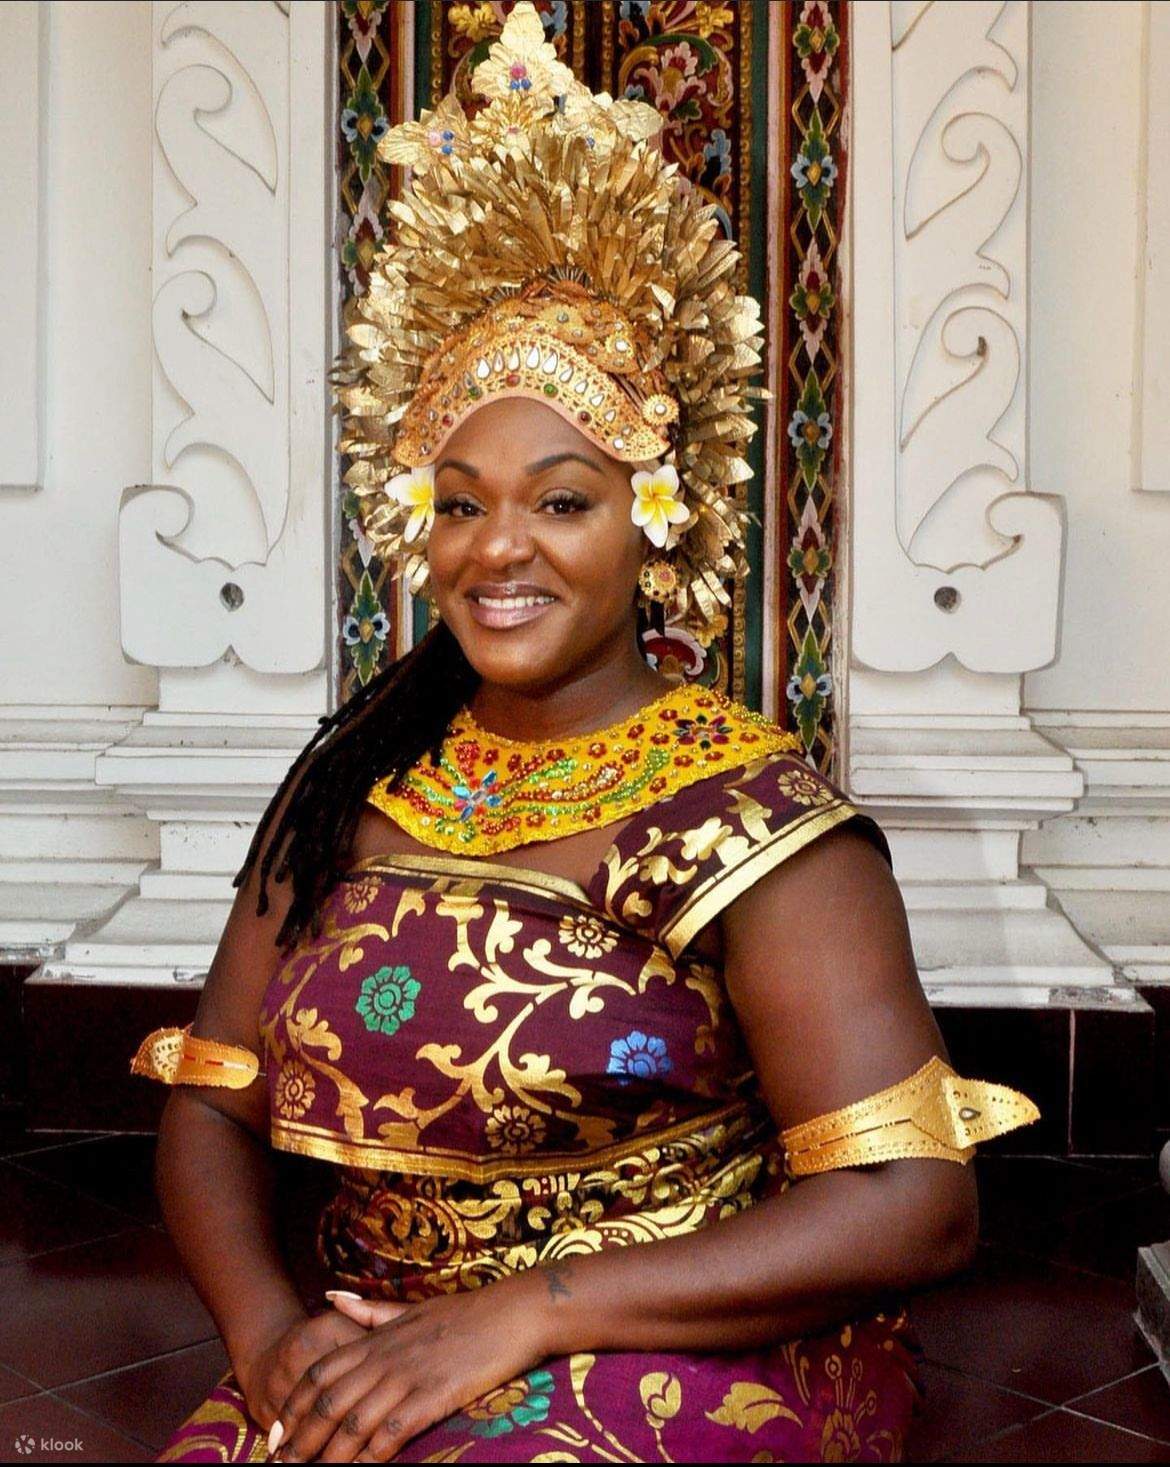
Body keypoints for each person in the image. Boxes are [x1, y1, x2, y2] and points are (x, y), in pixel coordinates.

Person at [131, 9, 1038, 1461]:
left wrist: (530, 1311)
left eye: (561, 499)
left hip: (691, 1338)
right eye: (457, 499)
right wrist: (272, 1346)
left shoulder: (755, 818)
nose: (499, 548)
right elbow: (209, 1105)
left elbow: (913, 1208)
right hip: (379, 1340)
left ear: (655, 525)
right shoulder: (350, 779)